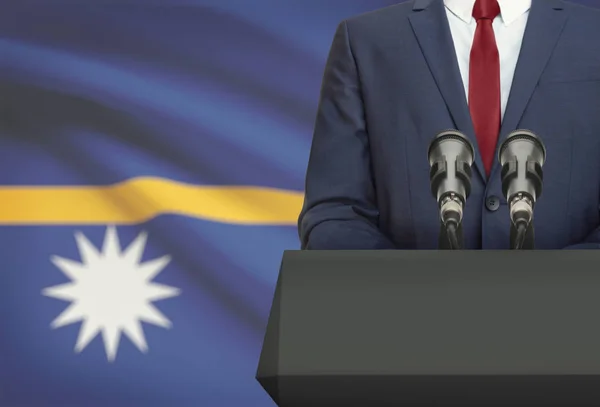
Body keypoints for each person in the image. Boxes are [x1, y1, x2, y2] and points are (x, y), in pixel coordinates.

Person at [298, 0, 600, 250]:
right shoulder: (366, 41)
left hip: (571, 314)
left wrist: (557, 287)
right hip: (404, 316)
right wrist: (415, 292)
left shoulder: (592, 35)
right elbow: (334, 213)